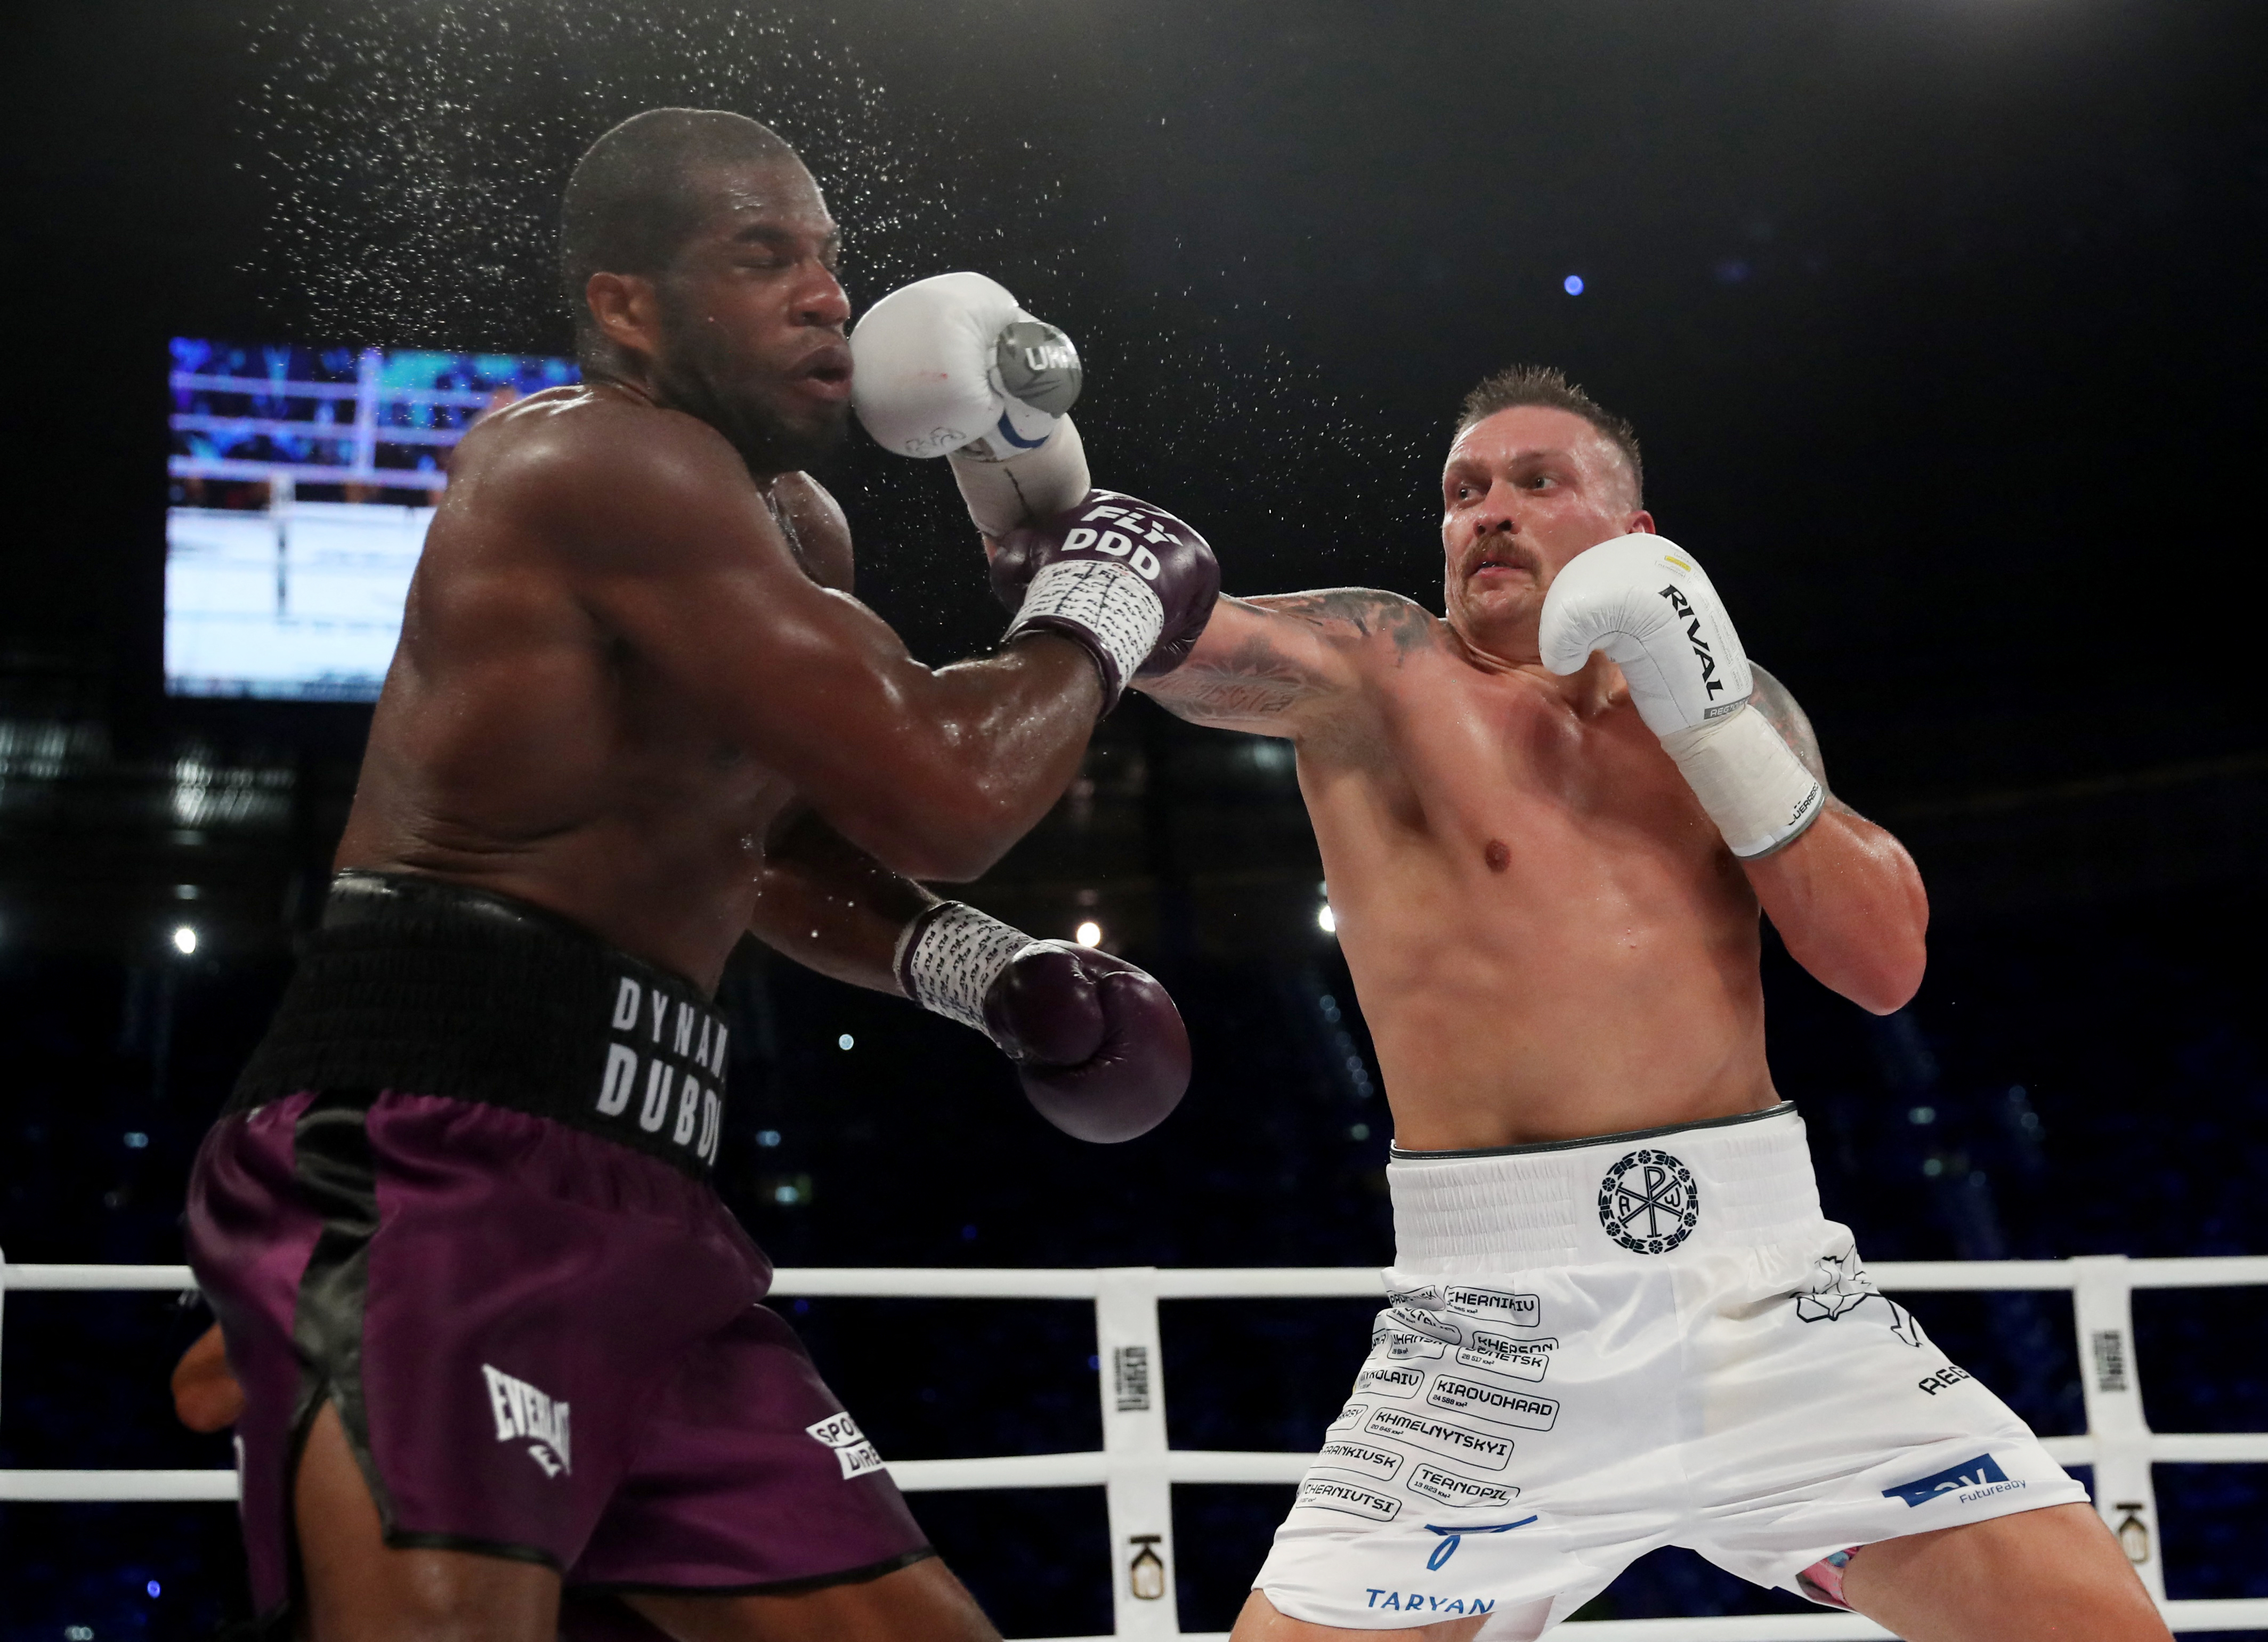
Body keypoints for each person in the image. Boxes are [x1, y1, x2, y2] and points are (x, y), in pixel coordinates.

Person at [184, 107, 1216, 1642]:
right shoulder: (596, 459)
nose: (828, 299)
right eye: (763, 258)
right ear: (626, 306)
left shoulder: (797, 524)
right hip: (429, 1164)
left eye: (829, 260)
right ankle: (301, 1332)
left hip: (649, 1198)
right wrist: (1100, 611)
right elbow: (947, 789)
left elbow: (774, 846)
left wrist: (976, 969)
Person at [1106, 366, 2170, 1641]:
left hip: (1777, 1305)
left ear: (1638, 540)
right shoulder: (1377, 670)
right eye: (1463, 491)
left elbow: (1882, 963)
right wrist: (1029, 491)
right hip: (1492, 1336)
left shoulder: (1736, 706)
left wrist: (1706, 709)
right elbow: (1165, 633)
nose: (1488, 511)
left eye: (1535, 481)